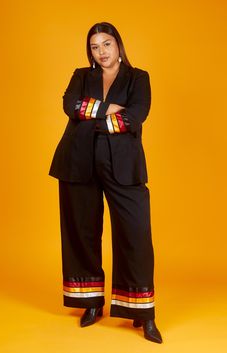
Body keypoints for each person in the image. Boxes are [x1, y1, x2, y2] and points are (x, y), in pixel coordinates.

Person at [48, 22, 163, 344]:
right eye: (95, 46)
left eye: (107, 44)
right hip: (77, 161)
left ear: (118, 45)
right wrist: (111, 111)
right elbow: (68, 104)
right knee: (81, 233)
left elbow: (136, 115)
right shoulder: (80, 75)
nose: (102, 52)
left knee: (135, 235)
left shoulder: (138, 77)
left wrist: (92, 114)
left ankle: (142, 312)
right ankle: (89, 303)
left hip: (124, 165)